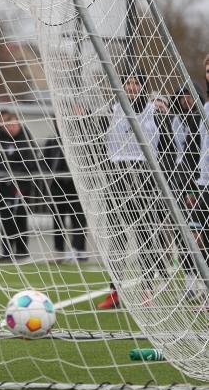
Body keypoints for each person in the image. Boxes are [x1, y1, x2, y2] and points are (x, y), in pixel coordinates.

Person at [97, 74, 176, 308]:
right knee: (117, 238)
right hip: (118, 178)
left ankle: (146, 290)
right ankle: (114, 291)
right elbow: (101, 146)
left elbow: (169, 149)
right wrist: (109, 170)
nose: (131, 87)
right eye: (127, 83)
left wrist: (161, 180)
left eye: (136, 83)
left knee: (144, 236)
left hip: (145, 178)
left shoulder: (156, 114)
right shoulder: (112, 110)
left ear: (143, 87)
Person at [0, 110, 40, 261]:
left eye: (14, 124)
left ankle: (22, 251)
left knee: (20, 215)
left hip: (22, 186)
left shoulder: (26, 140)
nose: (11, 128)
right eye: (7, 125)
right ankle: (7, 251)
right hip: (3, 187)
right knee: (6, 217)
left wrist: (16, 175)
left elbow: (32, 162)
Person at [42, 124, 87, 261]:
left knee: (78, 219)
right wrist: (49, 177)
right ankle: (59, 250)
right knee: (58, 219)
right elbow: (45, 160)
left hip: (76, 185)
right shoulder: (53, 141)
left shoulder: (81, 140)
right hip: (57, 184)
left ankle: (79, 250)